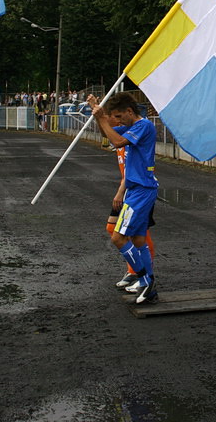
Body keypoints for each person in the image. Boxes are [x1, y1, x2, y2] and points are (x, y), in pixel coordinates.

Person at [88, 92, 160, 304]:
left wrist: (102, 117)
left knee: (118, 238)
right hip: (136, 189)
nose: (118, 121)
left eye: (120, 116)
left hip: (142, 190)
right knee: (138, 239)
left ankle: (146, 280)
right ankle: (147, 283)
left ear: (130, 111)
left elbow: (118, 142)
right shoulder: (132, 126)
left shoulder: (143, 125)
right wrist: (97, 114)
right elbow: (107, 135)